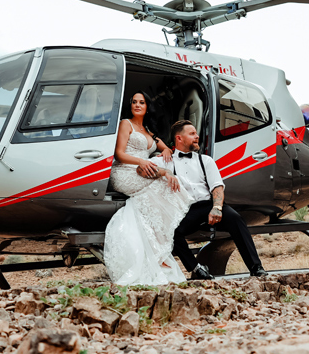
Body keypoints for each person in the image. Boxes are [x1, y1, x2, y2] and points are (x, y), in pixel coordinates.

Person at [146, 120, 269, 280]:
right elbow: (140, 169)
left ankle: (256, 267)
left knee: (236, 219)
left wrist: (217, 207)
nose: (197, 136)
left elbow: (217, 187)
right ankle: (196, 268)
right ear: (179, 138)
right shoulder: (164, 160)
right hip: (185, 210)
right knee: (171, 231)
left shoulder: (206, 161)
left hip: (209, 205)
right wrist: (164, 168)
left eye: (196, 133)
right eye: (192, 134)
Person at [102, 92, 193, 285]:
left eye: (141, 102)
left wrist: (167, 149)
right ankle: (159, 253)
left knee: (163, 182)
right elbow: (119, 154)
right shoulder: (125, 124)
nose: (137, 105)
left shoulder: (148, 130)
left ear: (147, 106)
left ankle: (158, 251)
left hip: (144, 170)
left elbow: (162, 146)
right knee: (162, 182)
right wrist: (143, 161)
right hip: (125, 171)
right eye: (134, 102)